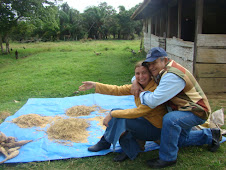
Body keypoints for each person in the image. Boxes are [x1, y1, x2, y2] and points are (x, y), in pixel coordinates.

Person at [128, 47, 222, 168]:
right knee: (176, 140)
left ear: (165, 60)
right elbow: (141, 77)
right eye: (149, 64)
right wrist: (135, 82)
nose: (151, 67)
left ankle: (168, 158)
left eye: (154, 63)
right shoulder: (161, 70)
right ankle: (211, 134)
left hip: (196, 111)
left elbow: (153, 101)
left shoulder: (172, 76)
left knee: (170, 120)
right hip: (182, 109)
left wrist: (140, 92)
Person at [78, 61, 167, 162]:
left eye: (144, 73)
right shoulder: (138, 86)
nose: (140, 76)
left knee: (120, 118)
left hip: (155, 130)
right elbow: (117, 90)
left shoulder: (154, 89)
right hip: (144, 122)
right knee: (117, 113)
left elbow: (138, 112)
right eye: (137, 73)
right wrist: (95, 85)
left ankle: (106, 142)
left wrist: (111, 114)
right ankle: (129, 149)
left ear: (150, 74)